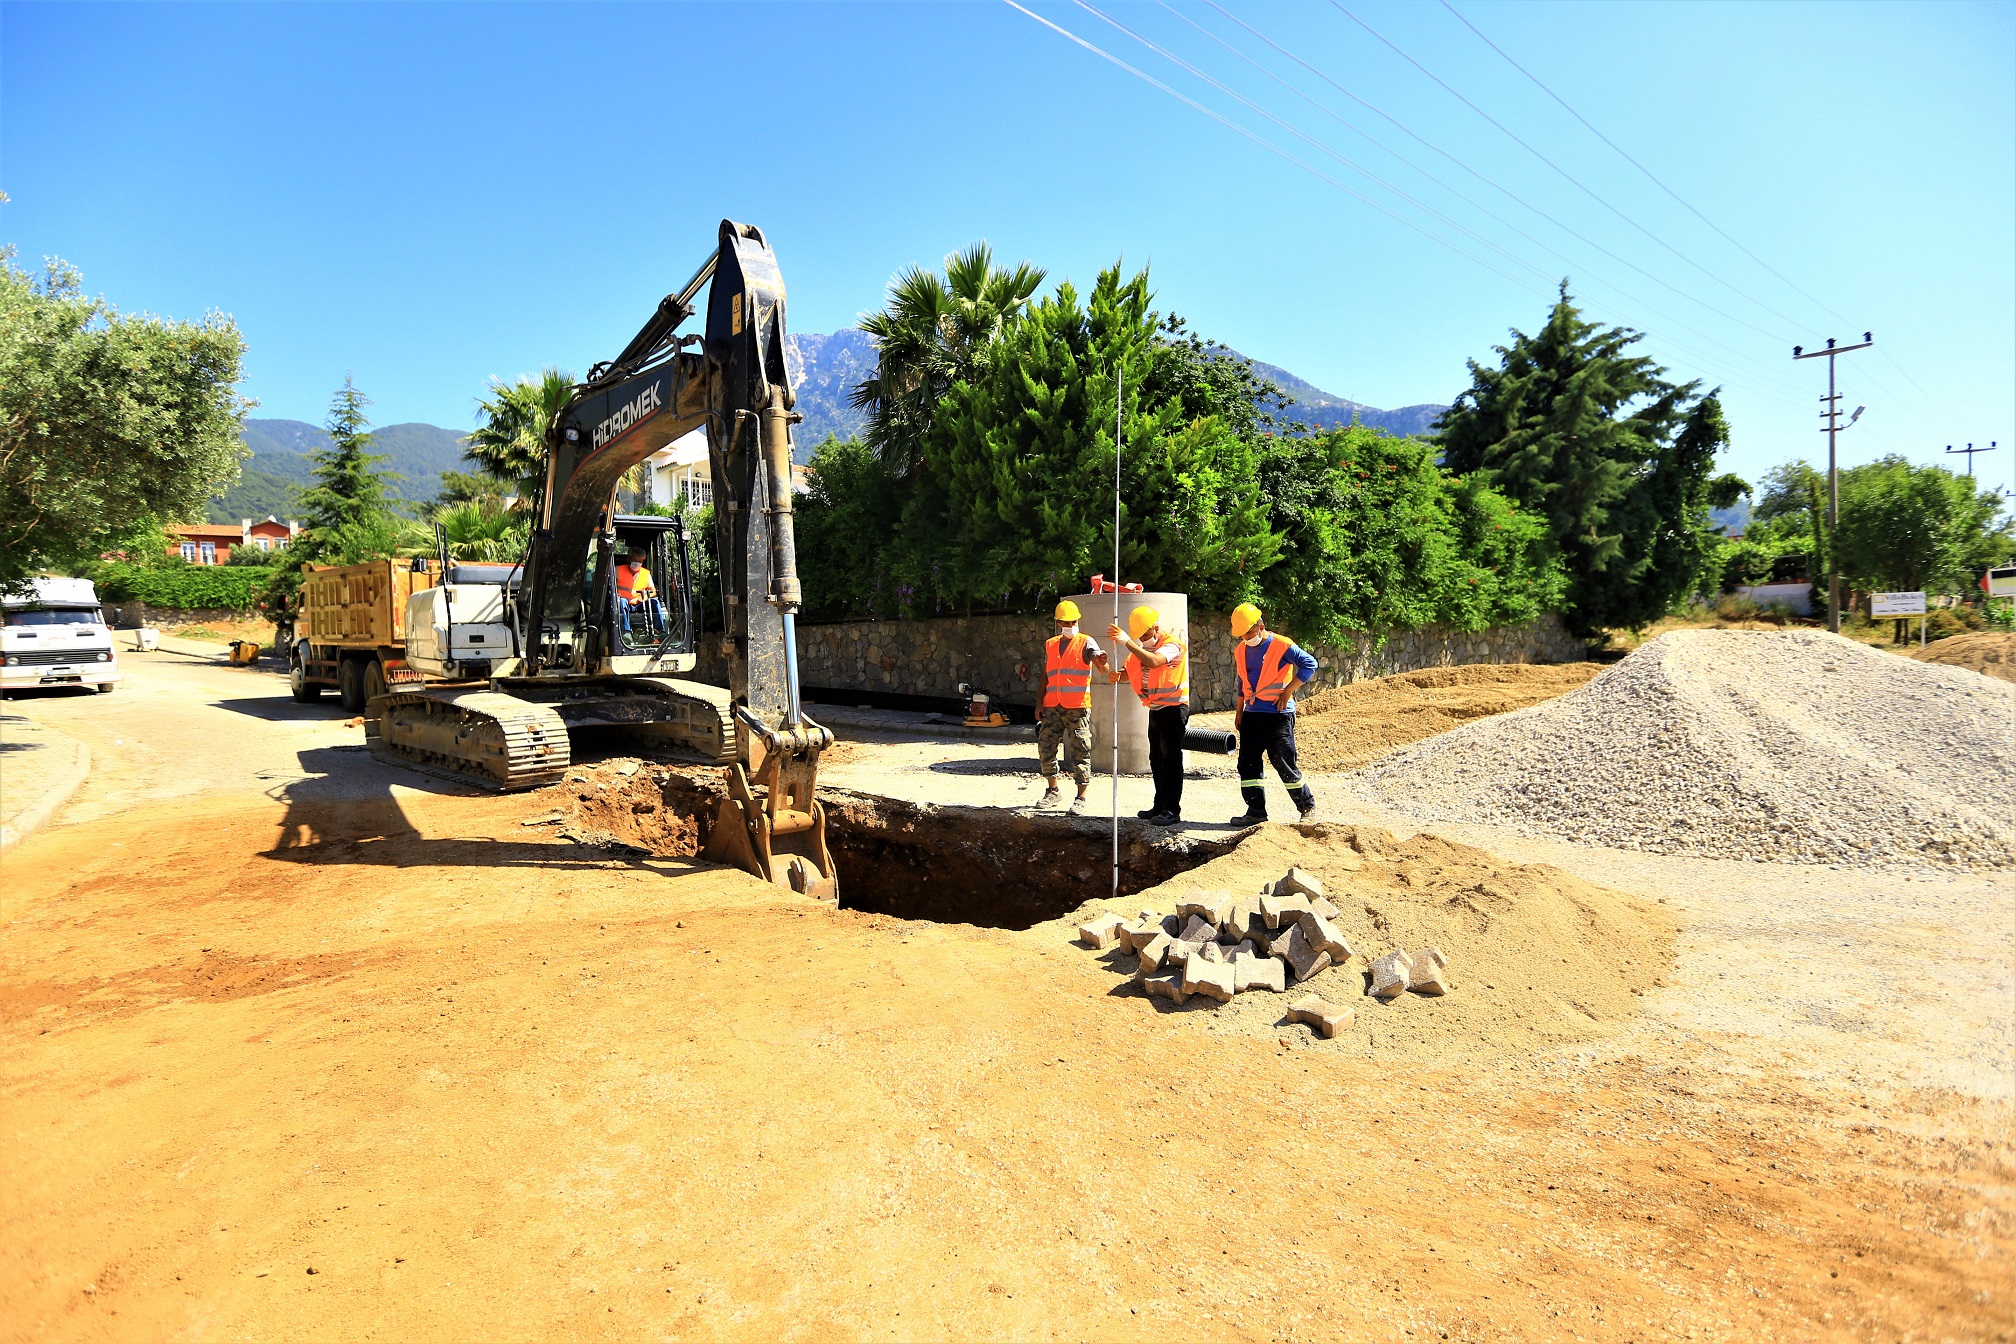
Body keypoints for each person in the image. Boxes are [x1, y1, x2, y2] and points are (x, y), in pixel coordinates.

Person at [1227, 602, 1319, 825]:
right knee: (1248, 763)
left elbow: (1310, 664)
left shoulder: (1281, 645)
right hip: (1252, 714)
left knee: (1283, 761)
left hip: (1278, 715)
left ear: (1261, 626)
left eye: (1248, 632)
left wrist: (1288, 691)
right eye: (1241, 635)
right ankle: (1256, 812)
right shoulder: (1241, 650)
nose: (1245, 638)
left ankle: (1307, 806)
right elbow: (1242, 683)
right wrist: (1239, 712)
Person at [1107, 605, 1188, 826]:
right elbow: (1129, 673)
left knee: (1171, 761)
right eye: (1139, 636)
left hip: (1173, 709)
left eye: (1145, 634)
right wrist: (1110, 670)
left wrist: (1127, 642)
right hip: (1155, 710)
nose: (1142, 639)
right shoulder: (1141, 649)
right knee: (1157, 760)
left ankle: (1172, 810)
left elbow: (1154, 662)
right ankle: (1160, 805)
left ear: (1156, 628)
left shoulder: (1172, 645)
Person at [1038, 599, 1110, 815]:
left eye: (1073, 621)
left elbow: (1103, 667)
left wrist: (1102, 660)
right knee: (1046, 748)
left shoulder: (1087, 642)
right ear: (1059, 623)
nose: (1070, 625)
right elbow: (1046, 675)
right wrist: (1039, 702)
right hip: (1052, 706)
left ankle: (1081, 797)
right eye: (1065, 622)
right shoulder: (1051, 644)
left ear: (1078, 620)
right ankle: (1053, 791)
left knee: (1080, 750)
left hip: (1077, 708)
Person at [615, 549, 662, 640]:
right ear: (629, 558)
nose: (638, 563)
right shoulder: (618, 570)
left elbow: (653, 591)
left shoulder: (646, 574)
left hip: (640, 604)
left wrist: (643, 598)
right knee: (622, 601)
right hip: (624, 603)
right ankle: (627, 632)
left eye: (640, 561)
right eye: (635, 560)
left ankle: (660, 631)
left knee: (654, 602)